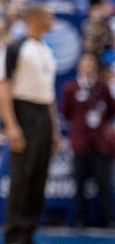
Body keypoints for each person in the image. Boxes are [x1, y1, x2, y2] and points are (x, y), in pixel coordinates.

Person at [0, 4, 60, 244]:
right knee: (21, 177)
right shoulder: (14, 47)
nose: (52, 18)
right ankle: (14, 236)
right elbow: (2, 89)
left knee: (39, 178)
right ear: (34, 18)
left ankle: (29, 233)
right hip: (23, 112)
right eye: (48, 15)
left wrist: (53, 130)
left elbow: (49, 95)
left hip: (43, 113)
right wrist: (11, 126)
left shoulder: (46, 50)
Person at [61, 53, 115, 227]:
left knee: (103, 182)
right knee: (79, 182)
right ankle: (80, 219)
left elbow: (111, 109)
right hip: (80, 142)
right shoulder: (70, 88)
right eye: (85, 63)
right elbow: (66, 112)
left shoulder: (102, 86)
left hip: (99, 142)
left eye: (91, 63)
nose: (88, 66)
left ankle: (107, 219)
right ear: (79, 66)